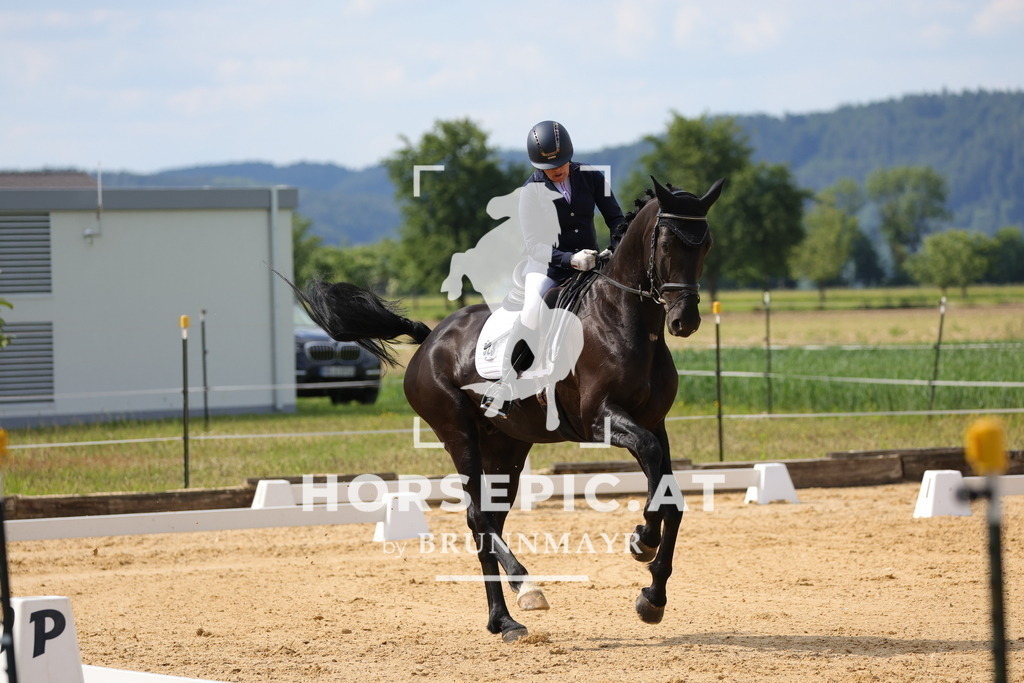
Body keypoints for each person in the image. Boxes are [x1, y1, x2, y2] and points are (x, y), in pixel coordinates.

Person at [481, 120, 627, 417]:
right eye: (550, 167)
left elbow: (617, 219)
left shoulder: (590, 176)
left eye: (561, 163)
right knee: (532, 309)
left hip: (593, 262)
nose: (557, 170)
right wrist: (570, 259)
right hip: (548, 267)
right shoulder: (531, 192)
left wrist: (613, 248)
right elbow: (534, 245)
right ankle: (506, 384)